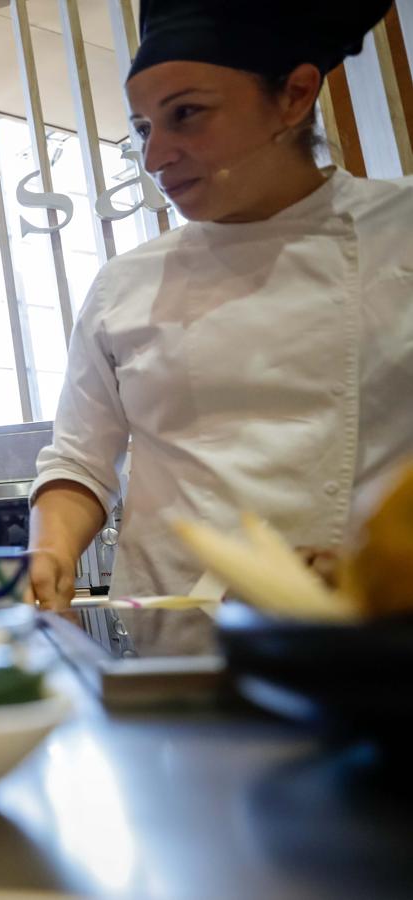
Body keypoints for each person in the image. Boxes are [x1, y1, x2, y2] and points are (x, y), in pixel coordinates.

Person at [27, 0, 411, 607]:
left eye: (186, 114)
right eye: (144, 129)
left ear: (294, 95)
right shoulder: (125, 284)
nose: (155, 158)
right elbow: (79, 461)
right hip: (181, 642)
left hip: (376, 634)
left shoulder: (402, 227)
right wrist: (49, 552)